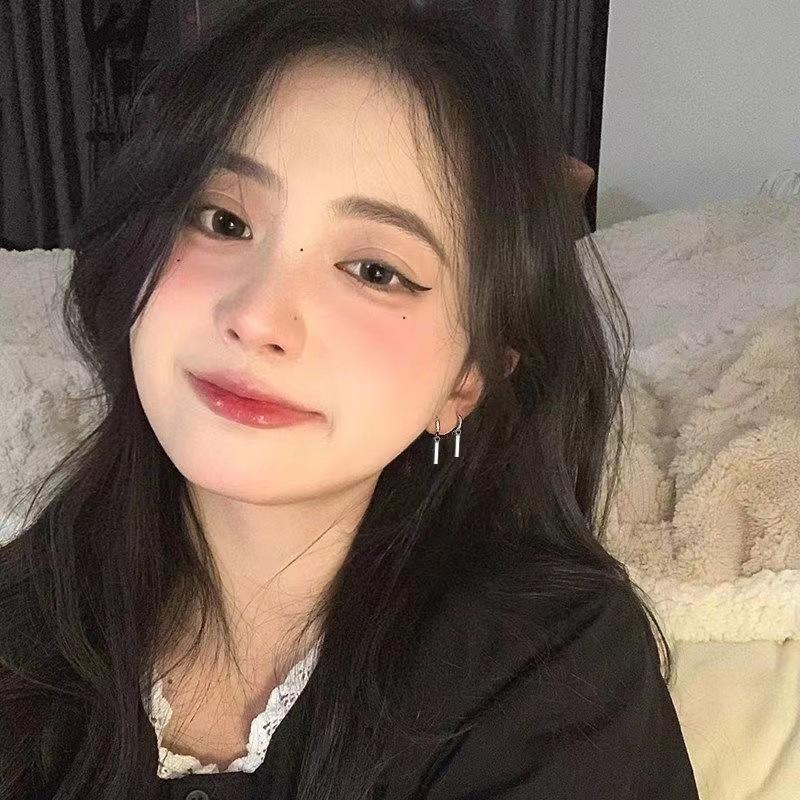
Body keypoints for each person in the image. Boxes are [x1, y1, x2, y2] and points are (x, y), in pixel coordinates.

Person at [0, 1, 701, 798]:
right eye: (223, 220)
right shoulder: (23, 622)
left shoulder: (556, 674)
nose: (258, 317)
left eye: (375, 271)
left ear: (467, 379)